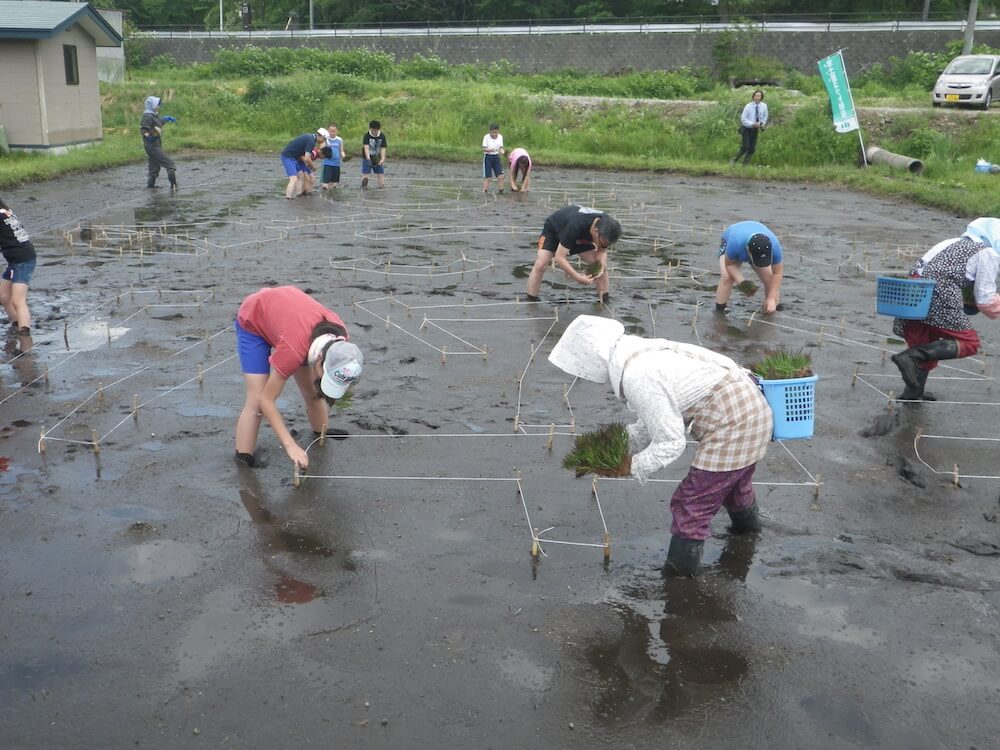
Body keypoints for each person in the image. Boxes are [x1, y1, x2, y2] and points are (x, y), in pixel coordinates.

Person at [548, 315, 772, 577]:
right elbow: (651, 423)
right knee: (733, 485)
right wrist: (614, 447)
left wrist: (629, 466)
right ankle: (749, 539)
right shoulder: (638, 352)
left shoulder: (638, 376)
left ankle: (678, 581)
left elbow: (671, 442)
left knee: (691, 503)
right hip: (752, 409)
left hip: (736, 423)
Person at [234, 286, 363, 470]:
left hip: (292, 323)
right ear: (319, 359)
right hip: (254, 319)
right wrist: (291, 445)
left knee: (313, 390)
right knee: (256, 401)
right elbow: (267, 400)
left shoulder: (341, 341)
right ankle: (243, 460)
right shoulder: (294, 350)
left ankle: (321, 433)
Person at [891, 217, 1000, 401]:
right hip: (938, 292)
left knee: (926, 339)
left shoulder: (952, 242)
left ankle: (912, 393)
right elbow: (986, 301)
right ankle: (912, 357)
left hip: (912, 291)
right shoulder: (987, 253)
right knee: (969, 343)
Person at [526, 205, 622, 304]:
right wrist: (577, 277)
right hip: (554, 231)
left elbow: (601, 251)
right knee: (541, 264)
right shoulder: (575, 225)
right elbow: (560, 257)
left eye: (607, 244)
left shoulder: (607, 228)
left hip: (580, 237)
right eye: (603, 243)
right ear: (596, 232)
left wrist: (599, 268)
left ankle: (604, 300)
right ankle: (530, 300)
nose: (604, 246)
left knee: (601, 267)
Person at [715, 220, 784, 314]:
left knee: (769, 279)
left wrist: (771, 299)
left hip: (754, 238)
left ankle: (771, 309)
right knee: (727, 277)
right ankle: (719, 311)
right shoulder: (735, 244)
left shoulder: (774, 247)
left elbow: (777, 273)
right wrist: (742, 283)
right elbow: (729, 265)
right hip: (732, 237)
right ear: (748, 252)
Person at [0, 197, 37, 335]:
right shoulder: (5, 211)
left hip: (23, 260)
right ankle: (17, 323)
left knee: (17, 300)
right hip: (15, 259)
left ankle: (25, 336)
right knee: (3, 296)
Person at [140, 96, 178, 189]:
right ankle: (174, 186)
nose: (159, 107)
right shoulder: (147, 116)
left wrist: (166, 119)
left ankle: (150, 188)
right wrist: (149, 137)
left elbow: (157, 123)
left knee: (154, 168)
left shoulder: (152, 115)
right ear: (152, 105)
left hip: (154, 145)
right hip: (152, 146)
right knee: (170, 164)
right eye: (157, 105)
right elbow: (144, 130)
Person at [281, 129, 327, 199]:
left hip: (294, 157)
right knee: (293, 179)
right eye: (324, 139)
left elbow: (304, 157)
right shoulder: (311, 141)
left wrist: (309, 166)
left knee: (300, 174)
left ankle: (299, 194)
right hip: (288, 157)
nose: (324, 141)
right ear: (320, 136)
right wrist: (313, 167)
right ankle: (288, 198)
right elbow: (307, 158)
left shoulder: (310, 137)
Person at [731, 89, 768, 166]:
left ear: (761, 97)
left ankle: (745, 165)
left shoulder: (764, 106)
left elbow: (765, 116)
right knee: (746, 146)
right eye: (756, 96)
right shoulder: (748, 106)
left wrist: (762, 124)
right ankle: (734, 159)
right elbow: (743, 119)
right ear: (753, 97)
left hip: (756, 129)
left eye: (759, 96)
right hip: (746, 129)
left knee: (752, 149)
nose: (757, 97)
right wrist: (752, 124)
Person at [361, 120, 387, 189]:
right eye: (372, 131)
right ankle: (364, 187)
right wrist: (368, 159)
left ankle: (382, 186)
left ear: (378, 129)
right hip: (367, 157)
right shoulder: (367, 136)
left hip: (377, 157)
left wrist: (382, 159)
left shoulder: (382, 136)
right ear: (370, 128)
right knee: (366, 174)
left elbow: (383, 148)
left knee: (380, 173)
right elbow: (366, 148)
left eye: (375, 131)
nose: (374, 132)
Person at [320, 124, 346, 190]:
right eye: (331, 131)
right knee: (325, 183)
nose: (332, 133)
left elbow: (341, 150)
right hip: (327, 163)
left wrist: (344, 157)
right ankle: (325, 194)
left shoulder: (339, 139)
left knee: (335, 184)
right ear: (328, 131)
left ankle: (333, 196)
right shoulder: (325, 139)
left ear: (337, 131)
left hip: (336, 164)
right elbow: (321, 150)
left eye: (334, 131)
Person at [482, 123, 505, 194]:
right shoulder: (486, 137)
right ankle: (484, 192)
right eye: (493, 132)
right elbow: (483, 148)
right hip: (488, 157)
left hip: (496, 157)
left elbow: (501, 147)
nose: (494, 134)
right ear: (490, 132)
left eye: (496, 132)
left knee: (500, 176)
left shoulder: (500, 137)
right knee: (488, 177)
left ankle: (501, 191)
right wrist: (490, 150)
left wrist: (502, 151)